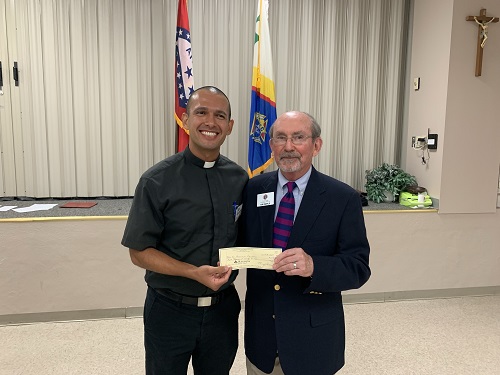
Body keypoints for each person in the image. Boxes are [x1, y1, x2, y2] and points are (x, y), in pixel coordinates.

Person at [121, 86, 248, 375]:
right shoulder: (156, 181)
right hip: (169, 311)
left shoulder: (240, 178)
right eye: (201, 112)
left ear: (230, 126)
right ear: (185, 119)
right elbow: (138, 253)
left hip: (223, 311)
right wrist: (192, 272)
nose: (210, 122)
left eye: (220, 115)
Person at [239, 111, 371, 375]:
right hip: (261, 340)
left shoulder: (342, 198)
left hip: (313, 343)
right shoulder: (254, 189)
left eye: (298, 137)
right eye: (281, 138)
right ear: (271, 145)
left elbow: (358, 267)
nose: (289, 146)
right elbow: (242, 244)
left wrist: (314, 266)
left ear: (316, 145)